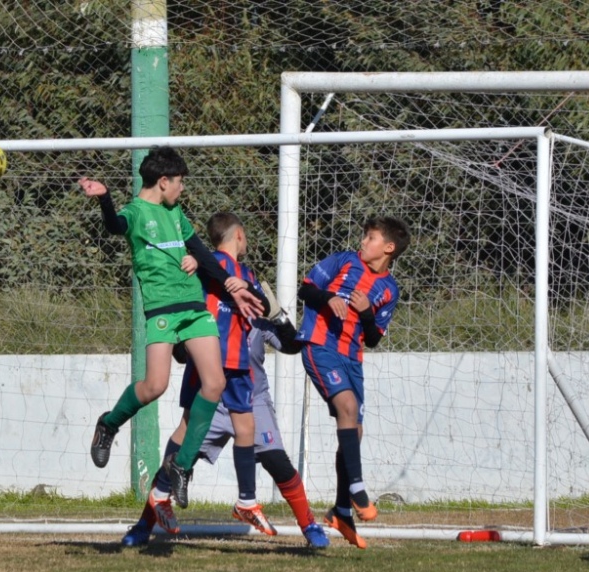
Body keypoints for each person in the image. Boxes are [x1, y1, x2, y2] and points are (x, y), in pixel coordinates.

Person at [121, 212, 329, 549]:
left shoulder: (254, 294)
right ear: (240, 237)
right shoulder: (208, 286)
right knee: (176, 457)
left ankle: (309, 527)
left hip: (251, 394)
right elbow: (183, 335)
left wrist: (279, 315)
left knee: (277, 461)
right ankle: (144, 525)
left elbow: (289, 345)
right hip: (212, 392)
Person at [79, 147, 270, 509]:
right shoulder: (136, 212)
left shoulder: (175, 212)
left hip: (194, 308)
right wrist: (104, 198)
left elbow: (199, 250)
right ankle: (109, 424)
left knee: (215, 383)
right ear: (163, 182)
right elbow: (114, 226)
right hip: (162, 308)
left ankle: (181, 466)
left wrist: (231, 283)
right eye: (179, 182)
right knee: (155, 385)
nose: (182, 189)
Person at [296, 216, 411, 549]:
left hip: (352, 359)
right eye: (364, 236)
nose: (363, 241)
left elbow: (374, 338)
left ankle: (342, 510)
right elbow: (306, 288)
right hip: (320, 346)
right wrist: (326, 299)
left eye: (371, 237)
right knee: (346, 408)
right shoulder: (344, 261)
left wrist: (366, 314)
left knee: (354, 431)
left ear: (388, 248)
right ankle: (358, 490)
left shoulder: (390, 289)